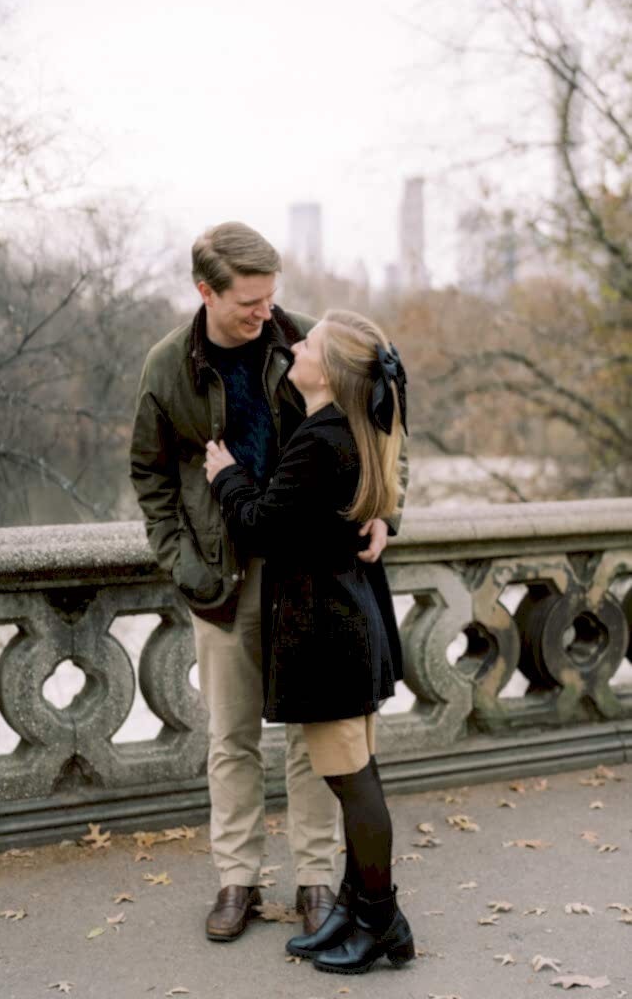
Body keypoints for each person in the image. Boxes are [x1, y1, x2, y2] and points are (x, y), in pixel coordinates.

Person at [130, 223, 403, 943]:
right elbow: (150, 476)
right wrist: (186, 569)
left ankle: (315, 878)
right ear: (205, 292)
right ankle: (237, 879)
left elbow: (379, 429)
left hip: (306, 578)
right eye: (248, 302)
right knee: (231, 736)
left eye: (269, 298)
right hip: (223, 578)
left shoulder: (309, 342)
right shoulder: (168, 366)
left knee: (311, 737)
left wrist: (386, 512)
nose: (264, 315)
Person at [204, 309, 415, 976]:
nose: (295, 345)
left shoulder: (322, 439)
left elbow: (262, 523)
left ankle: (379, 920)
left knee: (353, 784)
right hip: (350, 623)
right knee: (359, 777)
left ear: (332, 370)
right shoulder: (349, 426)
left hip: (326, 635)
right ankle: (362, 911)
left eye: (310, 344)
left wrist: (225, 475)